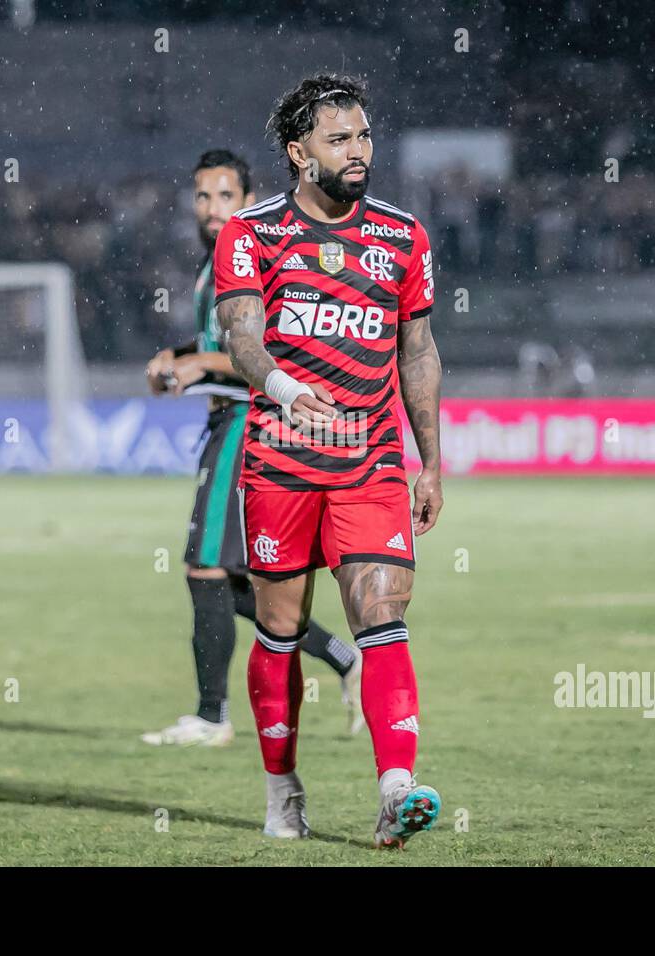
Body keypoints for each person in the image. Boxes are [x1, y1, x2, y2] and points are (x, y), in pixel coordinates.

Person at [213, 75, 445, 848]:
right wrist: (281, 387)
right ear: (298, 152)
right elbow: (241, 335)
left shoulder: (403, 237)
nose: (359, 152)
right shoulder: (249, 233)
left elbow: (418, 352)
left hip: (370, 462)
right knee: (280, 630)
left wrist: (431, 462)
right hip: (279, 464)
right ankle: (281, 790)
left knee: (382, 613)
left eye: (365, 136)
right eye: (340, 139)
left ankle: (396, 790)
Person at [141, 149, 362, 749]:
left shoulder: (252, 257)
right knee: (235, 582)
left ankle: (212, 718)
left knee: (204, 566)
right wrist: (179, 356)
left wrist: (196, 365)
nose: (212, 210)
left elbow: (267, 357)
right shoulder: (216, 263)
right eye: (202, 197)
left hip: (247, 425)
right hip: (232, 425)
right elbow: (220, 343)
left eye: (225, 197)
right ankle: (344, 658)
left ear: (248, 197)